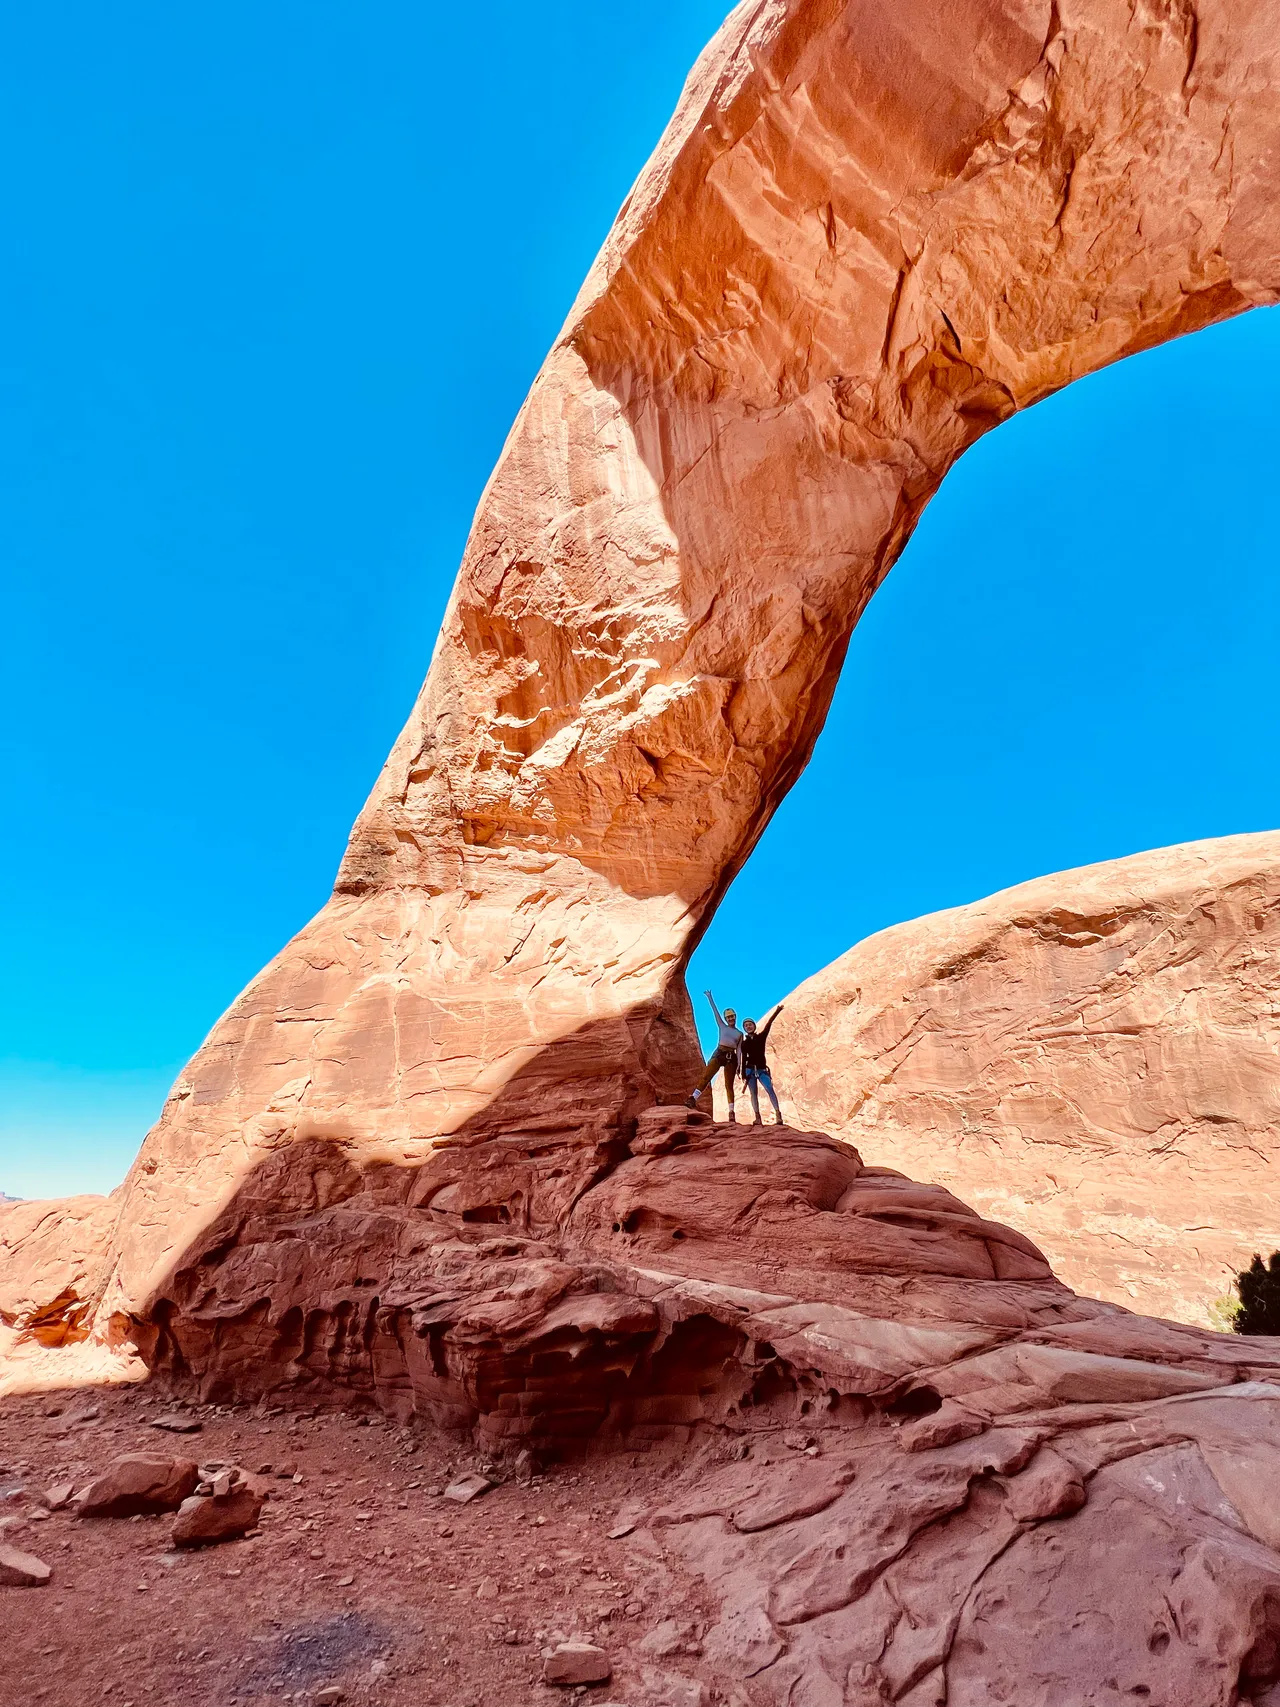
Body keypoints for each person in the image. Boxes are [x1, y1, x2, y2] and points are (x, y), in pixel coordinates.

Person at [687, 989, 744, 1121]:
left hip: (731, 1057)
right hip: (719, 1053)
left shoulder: (740, 1034)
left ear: (735, 1017)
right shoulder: (722, 1026)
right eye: (728, 1017)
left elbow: (739, 1049)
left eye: (732, 1016)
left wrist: (739, 1065)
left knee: (728, 1085)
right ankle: (693, 1098)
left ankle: (731, 1112)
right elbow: (715, 1012)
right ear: (726, 1018)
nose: (730, 1019)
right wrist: (709, 997)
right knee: (707, 1076)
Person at [740, 1003, 784, 1125]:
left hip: (761, 1069)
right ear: (744, 1028)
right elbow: (744, 1058)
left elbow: (769, 1024)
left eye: (750, 1025)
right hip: (749, 1071)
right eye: (746, 1026)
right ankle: (757, 1118)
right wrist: (743, 1073)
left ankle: (778, 1115)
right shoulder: (744, 1043)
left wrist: (777, 1011)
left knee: (770, 1089)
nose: (748, 1027)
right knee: (753, 1093)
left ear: (754, 1026)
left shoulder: (761, 1037)